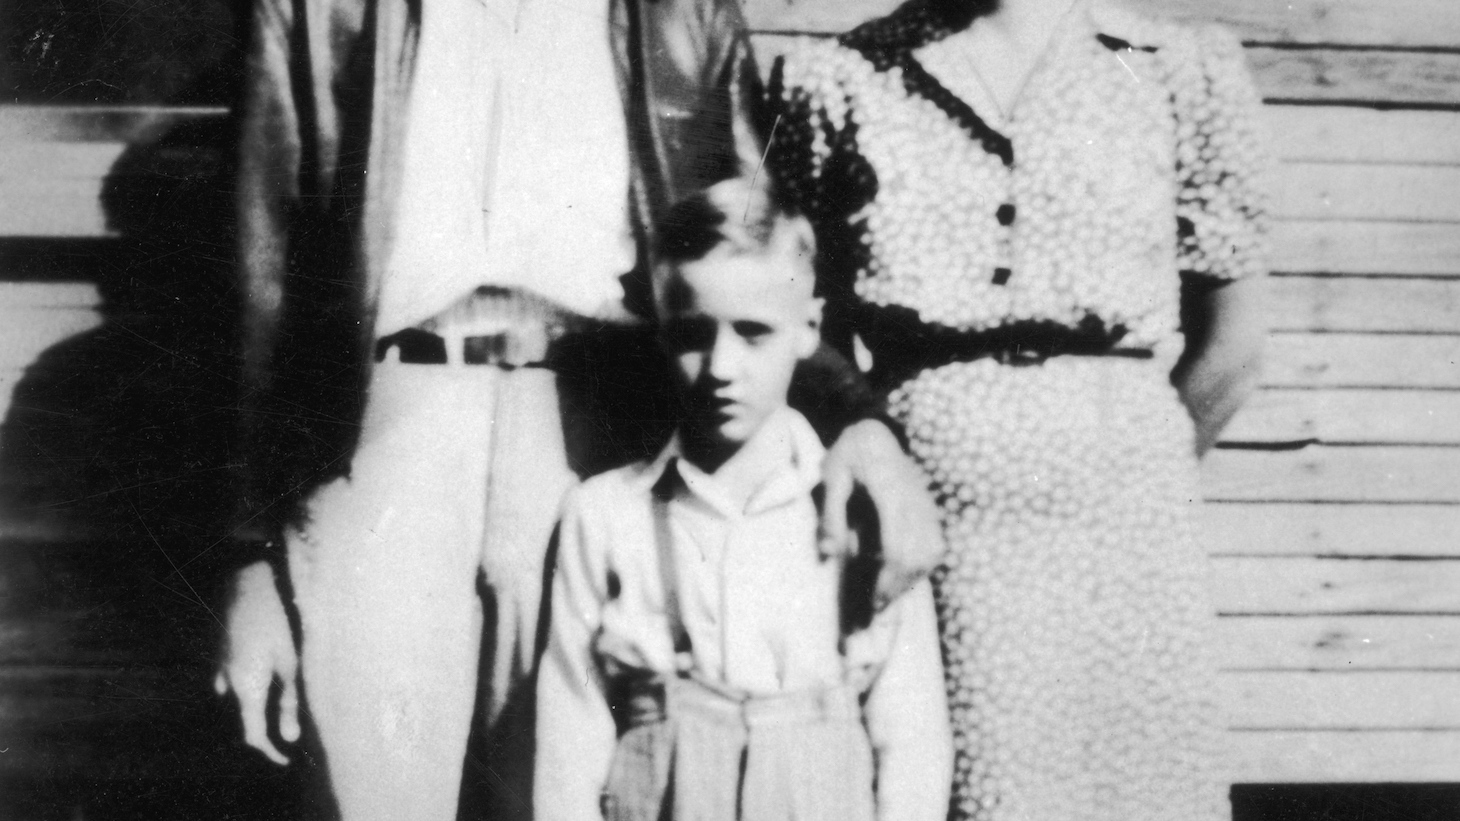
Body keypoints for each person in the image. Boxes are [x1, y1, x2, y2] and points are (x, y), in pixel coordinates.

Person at [213, 0, 946, 819]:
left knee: (561, 782)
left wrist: (861, 424)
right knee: (372, 794)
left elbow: (754, 250)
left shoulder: (680, 13)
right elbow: (259, 265)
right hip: (386, 425)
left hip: (591, 421)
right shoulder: (321, 9)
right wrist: (246, 559)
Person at [763, 0, 1269, 818]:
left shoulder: (1177, 68)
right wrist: (866, 437)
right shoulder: (844, 78)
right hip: (928, 518)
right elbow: (785, 314)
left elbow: (1233, 345)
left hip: (1130, 527)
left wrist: (1129, 466)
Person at [535, 178, 952, 821]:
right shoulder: (605, 514)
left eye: (754, 331)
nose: (721, 366)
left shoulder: (859, 513)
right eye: (693, 334)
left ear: (809, 327)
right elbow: (569, 745)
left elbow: (914, 741)